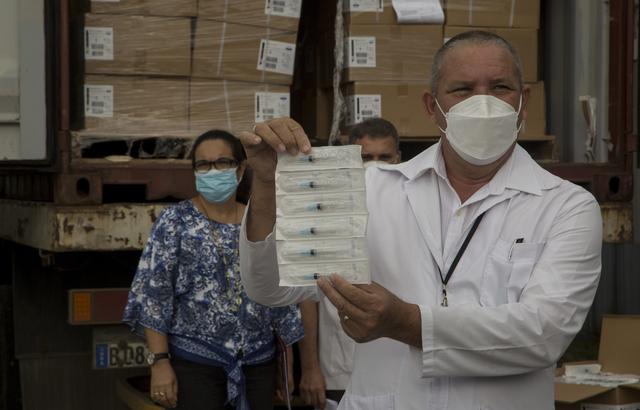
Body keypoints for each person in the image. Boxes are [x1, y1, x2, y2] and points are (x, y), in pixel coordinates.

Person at [238, 30, 602, 410]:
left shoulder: (566, 206)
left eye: (500, 87)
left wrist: (407, 323)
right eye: (462, 90)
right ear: (432, 107)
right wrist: (265, 184)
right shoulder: (370, 190)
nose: (483, 103)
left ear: (523, 102)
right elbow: (271, 289)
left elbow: (543, 334)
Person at [122, 130, 304, 410]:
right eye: (203, 165)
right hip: (196, 365)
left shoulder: (261, 223)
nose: (212, 171)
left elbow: (280, 298)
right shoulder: (175, 222)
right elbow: (154, 296)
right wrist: (159, 362)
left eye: (222, 163)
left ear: (241, 168)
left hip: (258, 365)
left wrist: (287, 364)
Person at [297, 117, 401, 409]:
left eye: (384, 157)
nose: (375, 165)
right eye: (366, 157)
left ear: (398, 158)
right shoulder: (324, 215)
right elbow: (308, 299)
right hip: (340, 368)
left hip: (401, 366)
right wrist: (310, 368)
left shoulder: (418, 212)